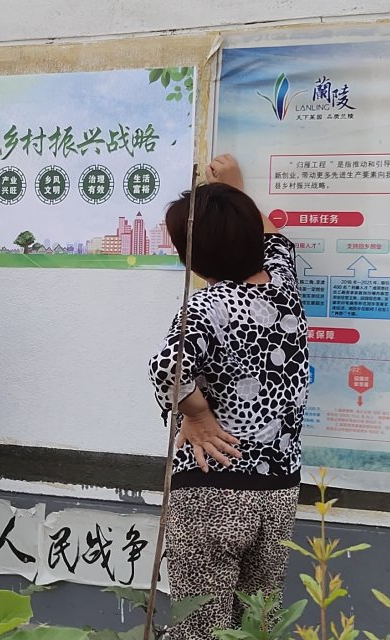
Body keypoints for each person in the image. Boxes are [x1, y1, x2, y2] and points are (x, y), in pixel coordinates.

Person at [148, 154, 309, 638]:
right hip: (278, 490)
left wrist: (197, 416)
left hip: (211, 488)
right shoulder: (284, 290)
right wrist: (237, 191)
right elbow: (276, 242)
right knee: (257, 625)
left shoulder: (206, 306)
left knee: (201, 628)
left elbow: (167, 368)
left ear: (191, 259)